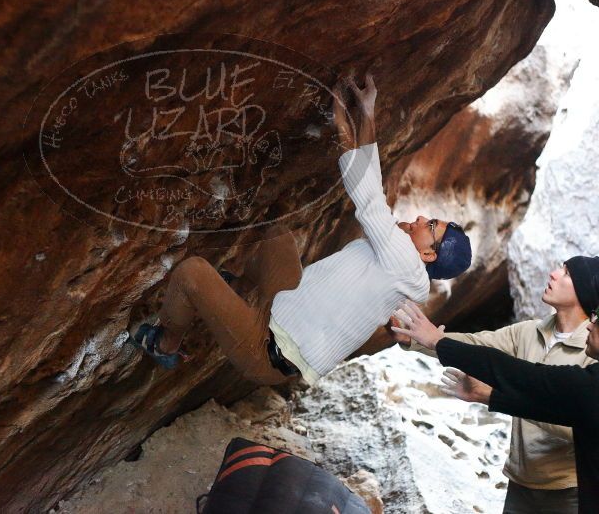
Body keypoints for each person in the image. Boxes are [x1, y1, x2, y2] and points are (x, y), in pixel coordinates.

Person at [128, 74, 472, 387]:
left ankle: (165, 344)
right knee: (278, 237)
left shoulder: (404, 262)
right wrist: (366, 113)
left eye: (430, 227)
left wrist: (342, 120)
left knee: (192, 273)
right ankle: (241, 289)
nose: (423, 219)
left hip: (266, 348)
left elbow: (368, 197)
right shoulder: (405, 266)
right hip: (282, 307)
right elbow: (373, 180)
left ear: (428, 254)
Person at [392, 256, 599, 513]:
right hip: (519, 483)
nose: (553, 274)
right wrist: (416, 338)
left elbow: (579, 425)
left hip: (570, 490)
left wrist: (497, 396)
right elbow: (476, 346)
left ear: (584, 292)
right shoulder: (529, 332)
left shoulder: (591, 353)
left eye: (566, 273)